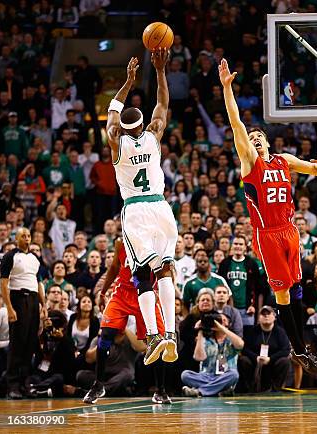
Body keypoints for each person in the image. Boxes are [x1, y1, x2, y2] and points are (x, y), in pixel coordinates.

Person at [219, 58, 317, 377]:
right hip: (267, 234)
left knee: (295, 288)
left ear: (268, 143)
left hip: (290, 231)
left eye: (259, 139)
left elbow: (314, 169)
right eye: (250, 141)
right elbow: (237, 124)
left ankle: (299, 347)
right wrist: (228, 90)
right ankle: (298, 350)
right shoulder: (250, 165)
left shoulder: (283, 160)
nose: (253, 141)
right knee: (282, 292)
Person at [106, 51, 178, 365]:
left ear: (123, 126)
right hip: (162, 207)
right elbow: (163, 104)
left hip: (136, 210)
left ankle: (154, 335)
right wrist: (160, 71)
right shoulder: (154, 134)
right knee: (165, 269)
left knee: (141, 274)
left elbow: (111, 113)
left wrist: (127, 82)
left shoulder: (115, 140)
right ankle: (172, 334)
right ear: (143, 124)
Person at [82, 239, 169, 404]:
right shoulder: (121, 242)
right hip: (122, 293)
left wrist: (160, 290)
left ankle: (161, 390)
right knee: (105, 335)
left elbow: (165, 273)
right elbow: (115, 267)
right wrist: (103, 292)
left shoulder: (156, 243)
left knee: (158, 341)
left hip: (146, 294)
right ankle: (98, 385)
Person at [0, 228, 45, 399]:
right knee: (17, 343)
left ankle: (25, 383)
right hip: (18, 298)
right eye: (23, 236)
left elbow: (38, 282)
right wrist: (9, 308)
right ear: (16, 238)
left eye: (28, 236)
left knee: (30, 343)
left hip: (33, 300)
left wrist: (44, 305)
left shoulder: (35, 258)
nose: (27, 238)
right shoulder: (10, 256)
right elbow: (4, 284)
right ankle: (12, 385)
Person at [181, 312, 243, 397]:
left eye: (223, 320)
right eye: (218, 320)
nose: (220, 322)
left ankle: (199, 392)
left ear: (228, 323)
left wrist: (221, 327)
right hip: (206, 376)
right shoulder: (206, 340)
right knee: (185, 375)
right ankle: (221, 390)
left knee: (234, 374)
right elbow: (199, 358)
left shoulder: (231, 339)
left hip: (225, 376)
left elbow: (240, 344)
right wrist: (200, 331)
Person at [238, 306, 291, 392]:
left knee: (285, 361)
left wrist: (270, 359)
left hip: (273, 363)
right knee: (243, 360)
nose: (266, 316)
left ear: (274, 317)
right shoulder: (252, 331)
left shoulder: (280, 332)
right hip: (255, 363)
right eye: (263, 314)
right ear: (259, 318)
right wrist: (256, 358)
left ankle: (276, 389)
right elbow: (245, 349)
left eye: (268, 313)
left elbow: (286, 350)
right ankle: (249, 389)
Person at [218, 235, 262, 326]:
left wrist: (254, 306)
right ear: (232, 246)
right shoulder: (225, 263)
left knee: (248, 338)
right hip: (228, 309)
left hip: (247, 309)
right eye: (236, 244)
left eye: (241, 244)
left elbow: (257, 289)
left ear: (245, 247)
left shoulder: (252, 264)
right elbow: (220, 286)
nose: (238, 246)